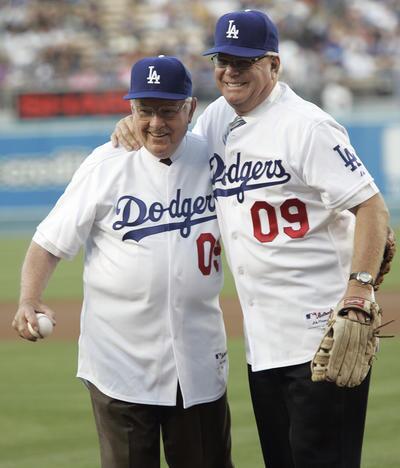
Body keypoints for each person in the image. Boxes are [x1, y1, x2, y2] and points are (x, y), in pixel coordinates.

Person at [111, 10, 390, 468]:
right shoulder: (217, 120)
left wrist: (359, 289)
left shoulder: (308, 126)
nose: (230, 70)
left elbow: (372, 207)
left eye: (244, 60)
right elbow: (168, 142)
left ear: (274, 66)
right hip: (263, 346)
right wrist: (129, 125)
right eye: (223, 59)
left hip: (322, 334)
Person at [12, 55, 234, 468]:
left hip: (199, 362)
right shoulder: (106, 163)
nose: (155, 122)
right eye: (144, 110)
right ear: (129, 110)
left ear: (191, 108)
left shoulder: (215, 157)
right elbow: (48, 242)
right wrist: (29, 297)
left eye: (168, 110)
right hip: (120, 366)